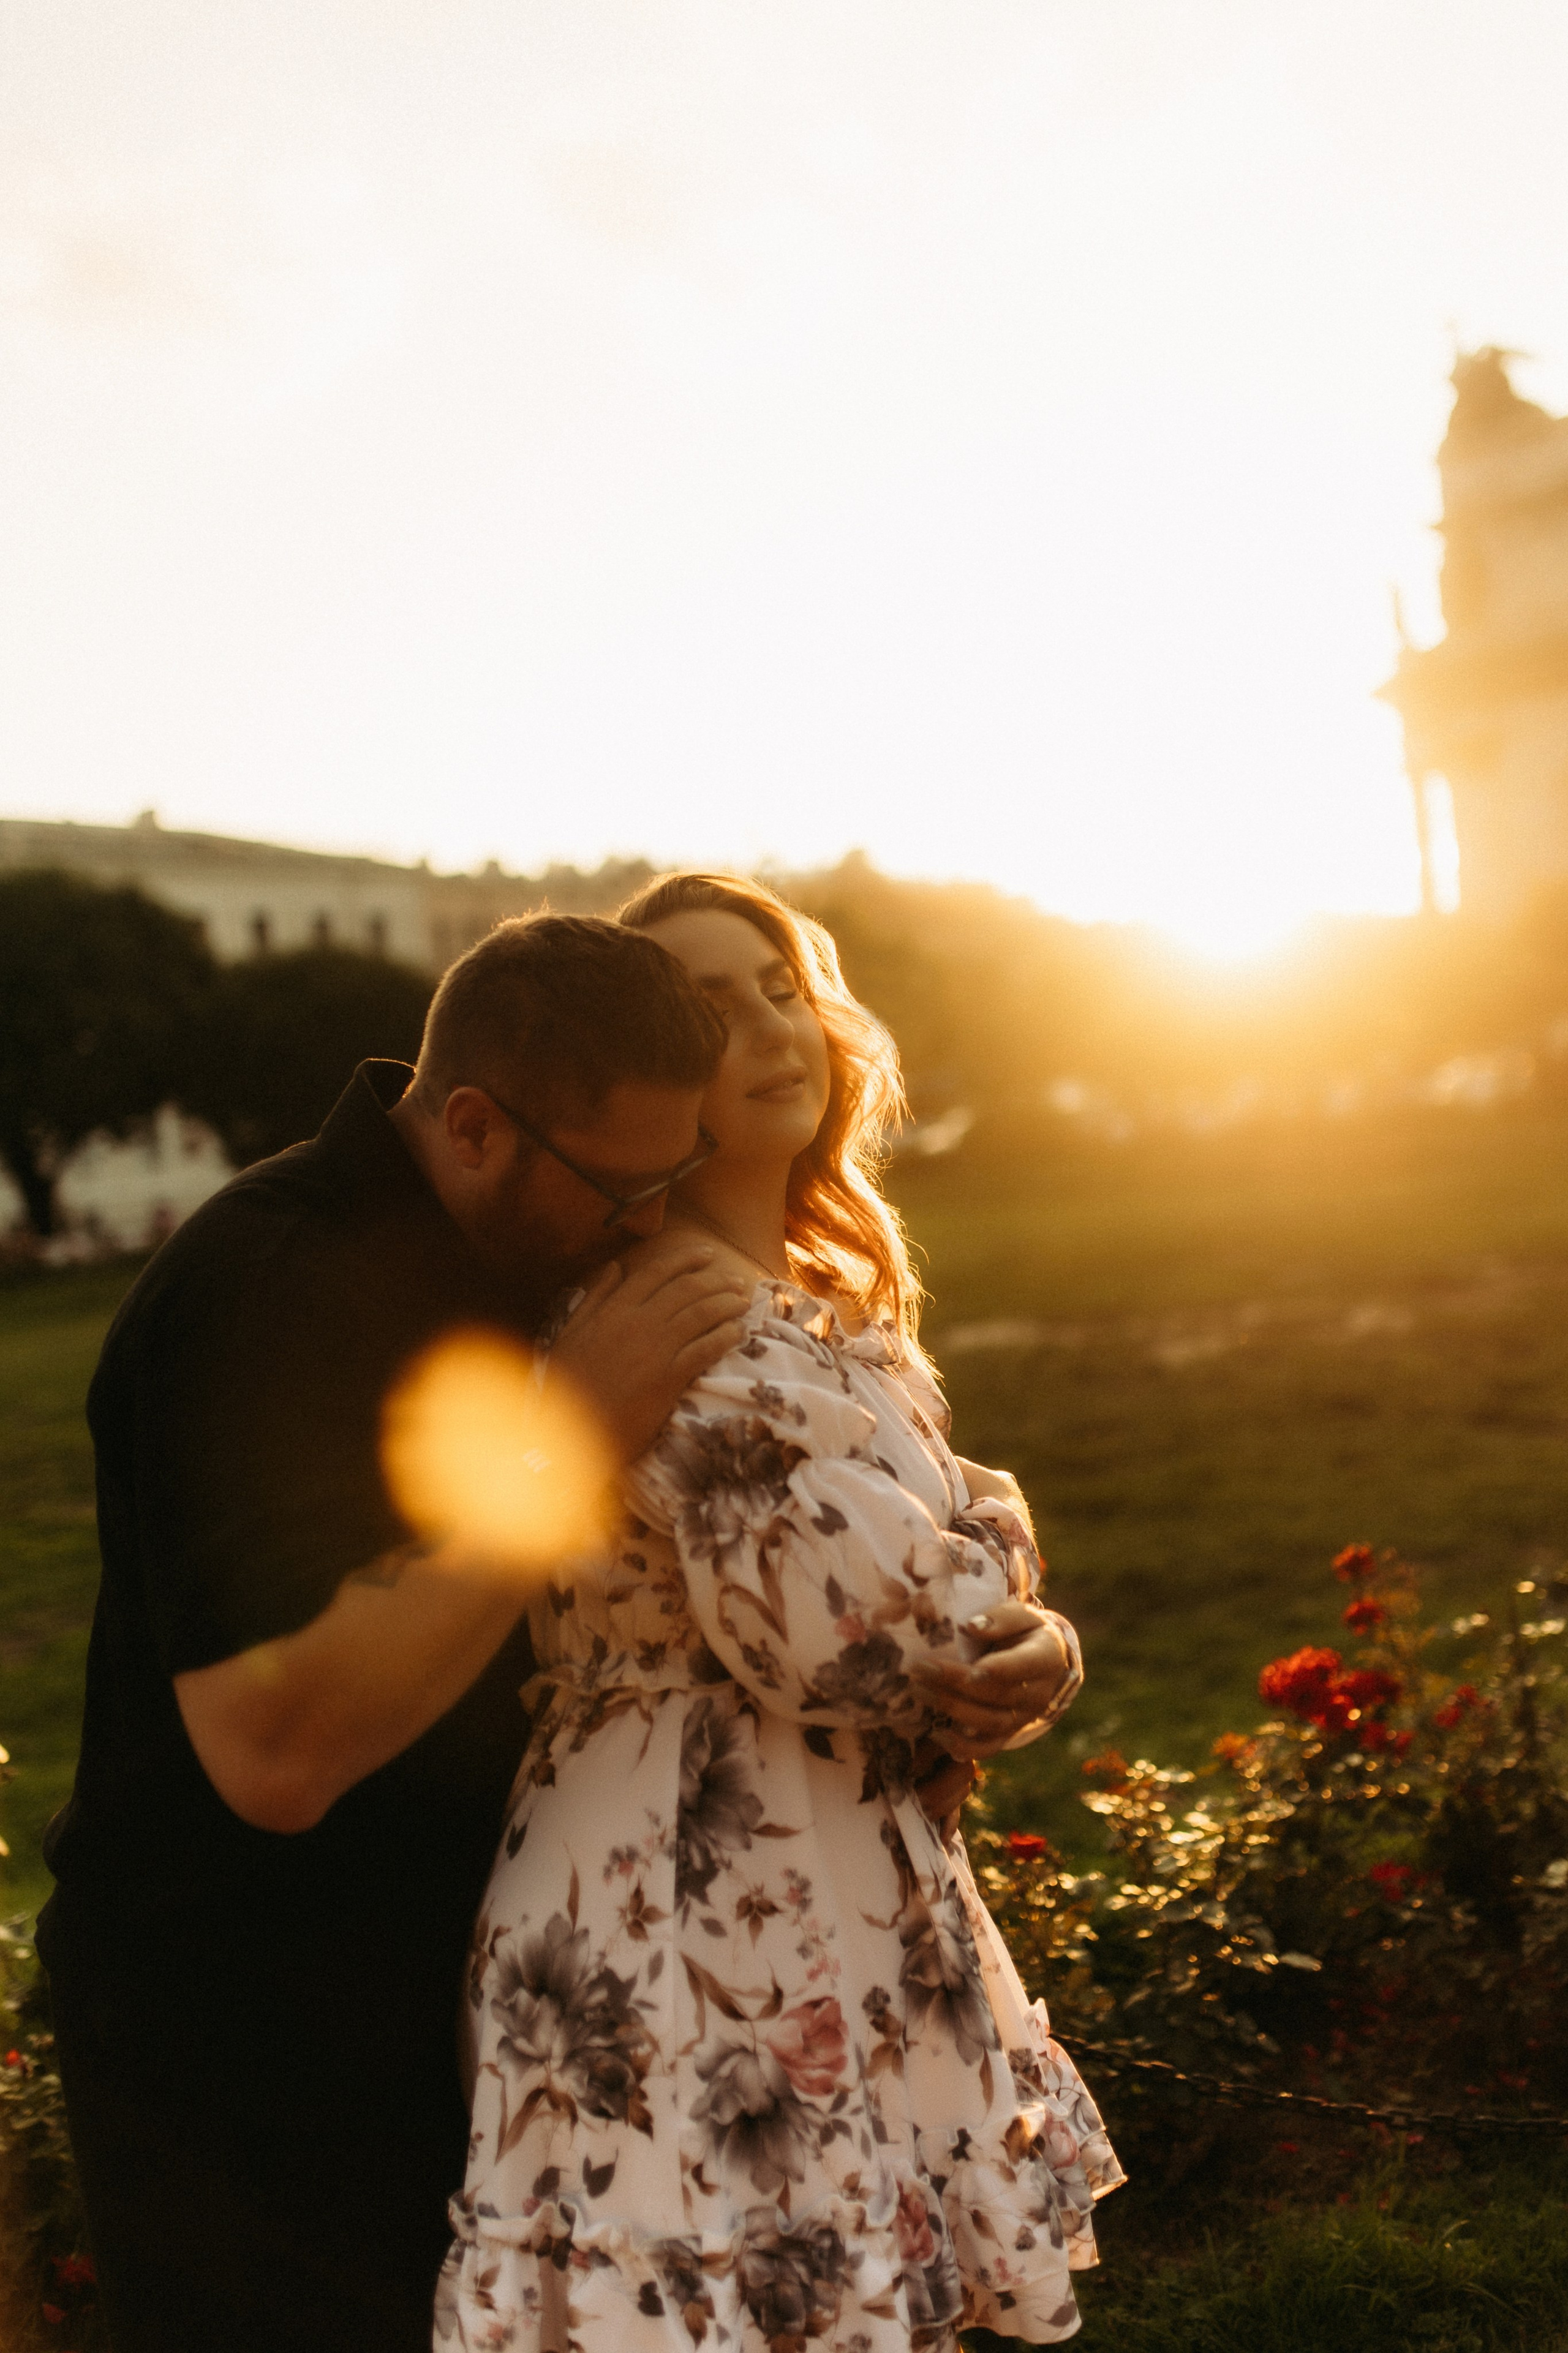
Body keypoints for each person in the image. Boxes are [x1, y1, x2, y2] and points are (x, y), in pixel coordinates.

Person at [37, 911, 1071, 2353]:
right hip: (249, 2021)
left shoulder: (525, 1245)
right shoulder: (267, 1288)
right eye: (621, 1187)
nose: (651, 1221)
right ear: (472, 1125)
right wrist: (573, 1432)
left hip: (471, 1957)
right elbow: (276, 1755)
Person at [439, 876, 1123, 2353]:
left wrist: (1015, 1609)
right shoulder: (668, 1317)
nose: (765, 1026)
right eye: (706, 1005)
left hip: (821, 1857)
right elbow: (865, 1634)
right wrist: (1012, 1604)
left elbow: (955, 1547)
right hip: (688, 1888)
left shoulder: (814, 1299)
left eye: (775, 983)